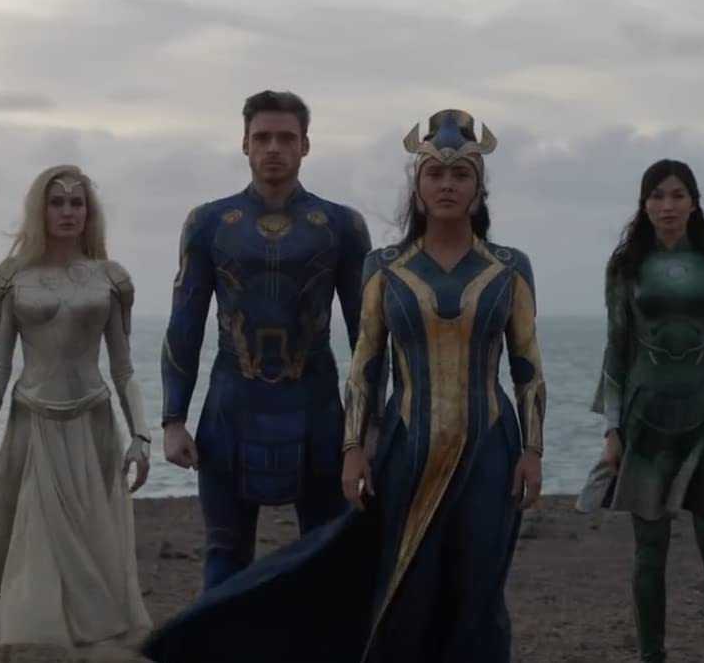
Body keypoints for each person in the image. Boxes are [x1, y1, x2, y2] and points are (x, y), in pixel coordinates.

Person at [143, 109, 547, 663]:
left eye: (461, 175)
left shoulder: (505, 266)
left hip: (484, 443)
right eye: (435, 173)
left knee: (477, 587)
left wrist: (532, 450)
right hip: (373, 439)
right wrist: (355, 447)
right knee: (398, 588)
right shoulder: (382, 264)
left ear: (479, 188)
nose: (447, 185)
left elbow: (527, 364)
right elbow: (364, 363)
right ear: (418, 186)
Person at [160, 90, 372, 589]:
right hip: (230, 409)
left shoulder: (341, 225)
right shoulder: (209, 223)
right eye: (262, 138)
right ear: (245, 144)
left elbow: (367, 337)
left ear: (305, 146)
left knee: (327, 556)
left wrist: (366, 432)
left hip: (317, 410)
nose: (273, 148)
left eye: (286, 138)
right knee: (225, 555)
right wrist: (173, 419)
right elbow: (185, 323)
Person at [0, 165, 153, 661]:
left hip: (93, 420)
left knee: (97, 543)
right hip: (31, 419)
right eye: (57, 202)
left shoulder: (110, 278)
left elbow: (124, 367)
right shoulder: (12, 277)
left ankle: (88, 646)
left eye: (76, 202)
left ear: (89, 211)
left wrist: (141, 435)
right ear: (40, 209)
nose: (67, 211)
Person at [580, 159, 704, 663]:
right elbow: (616, 349)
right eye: (657, 196)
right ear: (644, 205)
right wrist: (611, 430)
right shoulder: (626, 267)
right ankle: (651, 656)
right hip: (645, 420)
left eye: (678, 195)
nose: (667, 205)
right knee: (649, 549)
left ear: (694, 203)